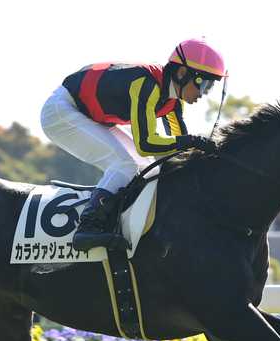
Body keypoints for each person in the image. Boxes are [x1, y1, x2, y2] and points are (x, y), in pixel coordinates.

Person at [41, 38, 227, 251]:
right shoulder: (146, 84)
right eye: (203, 84)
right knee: (127, 164)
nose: (202, 94)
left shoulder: (172, 102)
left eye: (210, 87)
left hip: (89, 115)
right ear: (182, 73)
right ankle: (88, 227)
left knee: (146, 166)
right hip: (61, 110)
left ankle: (115, 217)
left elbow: (179, 149)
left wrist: (206, 154)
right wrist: (193, 141)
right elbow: (146, 143)